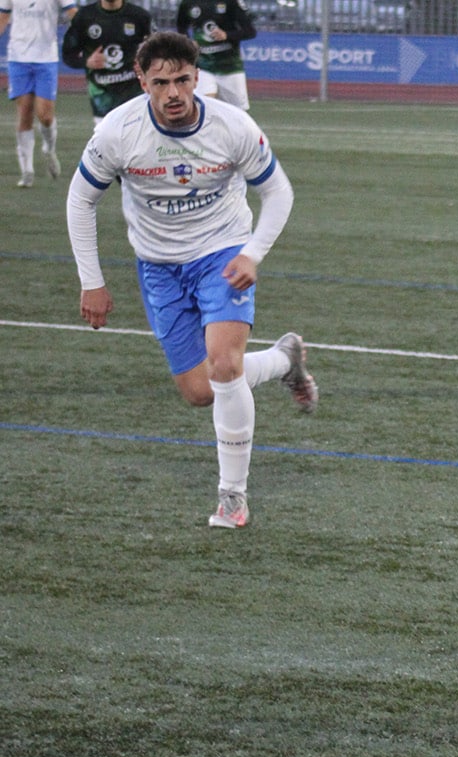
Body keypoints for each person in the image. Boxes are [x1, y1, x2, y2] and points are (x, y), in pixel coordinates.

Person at [67, 31, 317, 529]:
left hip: (222, 256)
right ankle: (284, 359)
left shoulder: (232, 126)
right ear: (141, 81)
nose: (174, 93)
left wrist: (252, 254)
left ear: (197, 77)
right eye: (160, 82)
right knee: (201, 391)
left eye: (182, 79)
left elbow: (279, 192)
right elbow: (80, 201)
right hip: (158, 267)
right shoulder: (118, 132)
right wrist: (91, 281)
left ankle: (232, 497)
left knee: (224, 367)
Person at [1, 0, 79, 187]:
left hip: (46, 58)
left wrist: (83, 36)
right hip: (18, 57)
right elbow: (3, 16)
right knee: (25, 113)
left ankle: (49, 149)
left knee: (45, 115)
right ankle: (27, 171)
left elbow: (73, 13)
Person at [60, 0, 154, 126]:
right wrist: (87, 61)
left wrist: (145, 63)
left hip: (135, 98)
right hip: (102, 100)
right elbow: (68, 54)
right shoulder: (84, 17)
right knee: (107, 143)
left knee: (135, 143)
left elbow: (158, 49)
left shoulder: (140, 16)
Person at [176, 0, 256, 110]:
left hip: (230, 67)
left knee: (238, 112)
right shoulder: (188, 3)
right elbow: (181, 26)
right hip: (203, 66)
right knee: (203, 108)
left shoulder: (232, 2)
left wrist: (226, 35)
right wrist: (188, 41)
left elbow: (250, 31)